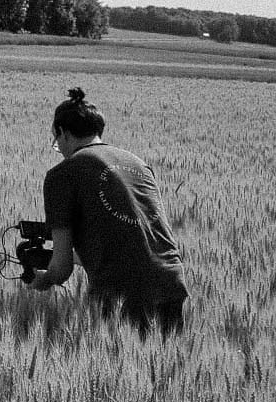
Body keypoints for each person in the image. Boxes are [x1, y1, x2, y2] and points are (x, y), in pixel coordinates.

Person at [27, 87, 188, 337]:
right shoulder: (137, 164)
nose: (58, 146)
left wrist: (43, 280)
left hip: (122, 290)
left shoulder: (63, 175)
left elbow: (61, 269)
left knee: (120, 364)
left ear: (62, 132)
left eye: (56, 141)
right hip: (171, 281)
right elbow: (131, 241)